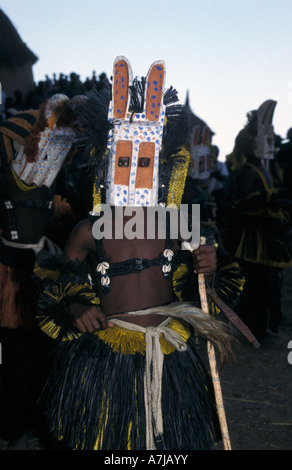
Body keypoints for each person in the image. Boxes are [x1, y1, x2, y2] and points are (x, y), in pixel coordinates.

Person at [34, 57, 243, 450]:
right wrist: (76, 307)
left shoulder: (178, 227)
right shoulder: (86, 230)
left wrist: (208, 268)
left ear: (160, 168)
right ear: (105, 164)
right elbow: (55, 287)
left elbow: (208, 288)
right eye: (124, 161)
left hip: (171, 352)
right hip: (107, 355)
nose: (133, 174)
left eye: (144, 163)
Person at [0, 93, 83, 449]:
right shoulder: (11, 139)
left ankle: (36, 420)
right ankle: (12, 425)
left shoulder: (57, 169)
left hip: (42, 266)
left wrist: (62, 213)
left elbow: (54, 206)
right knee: (14, 351)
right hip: (9, 268)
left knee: (42, 349)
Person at [220, 100, 292, 339]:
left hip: (263, 236)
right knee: (254, 283)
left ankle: (262, 327)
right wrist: (272, 200)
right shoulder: (250, 171)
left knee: (266, 282)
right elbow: (245, 201)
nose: (272, 143)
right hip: (250, 239)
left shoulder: (266, 170)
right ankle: (252, 328)